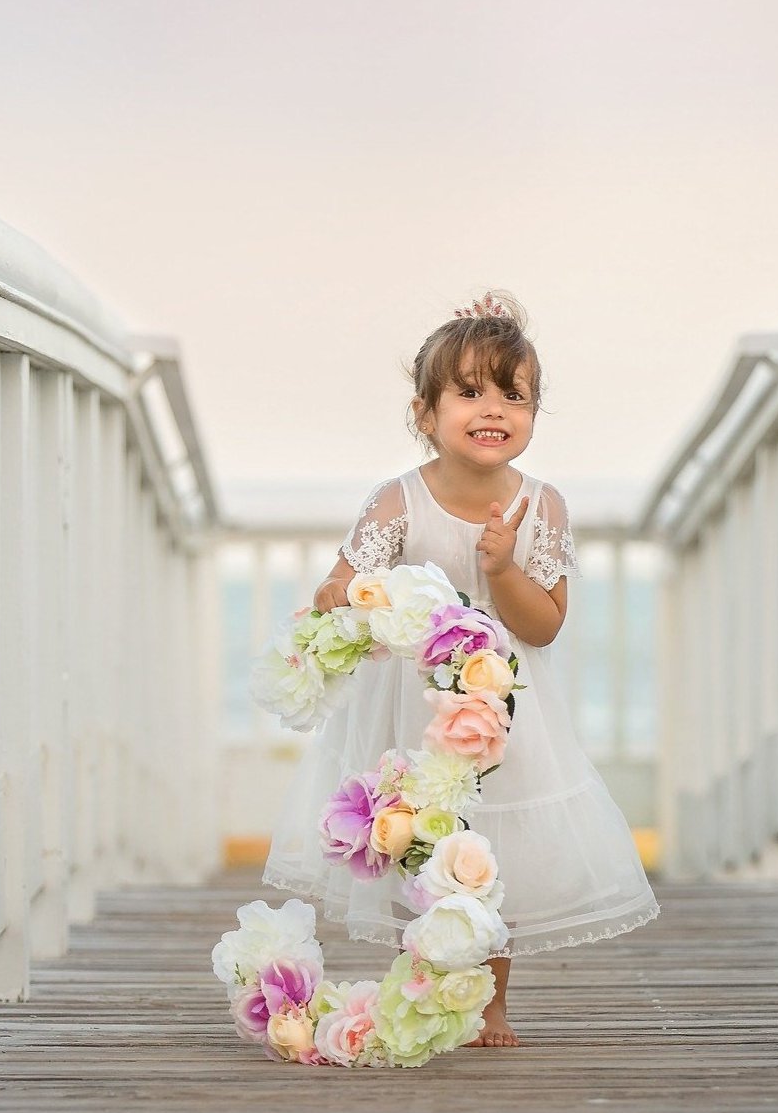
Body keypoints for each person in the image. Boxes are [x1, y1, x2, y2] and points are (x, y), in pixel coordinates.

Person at [263, 291, 660, 1048]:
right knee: (419, 842)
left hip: (500, 714)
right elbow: (340, 584)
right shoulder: (398, 500)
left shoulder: (542, 505)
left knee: (488, 857)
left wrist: (502, 568)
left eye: (516, 396)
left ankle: (489, 1001)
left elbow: (543, 624)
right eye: (471, 392)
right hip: (412, 711)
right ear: (425, 412)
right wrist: (349, 596)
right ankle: (421, 986)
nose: (495, 409)